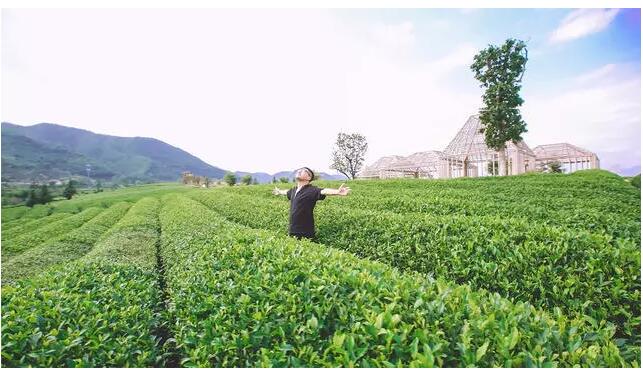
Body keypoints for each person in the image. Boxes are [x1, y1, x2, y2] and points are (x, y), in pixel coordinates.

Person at [272, 167, 350, 240]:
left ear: (309, 178)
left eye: (304, 171)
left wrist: (337, 192)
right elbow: (286, 192)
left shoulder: (312, 190)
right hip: (292, 229)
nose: (300, 171)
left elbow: (323, 191)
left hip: (305, 232)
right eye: (299, 170)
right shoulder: (293, 190)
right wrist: (279, 192)